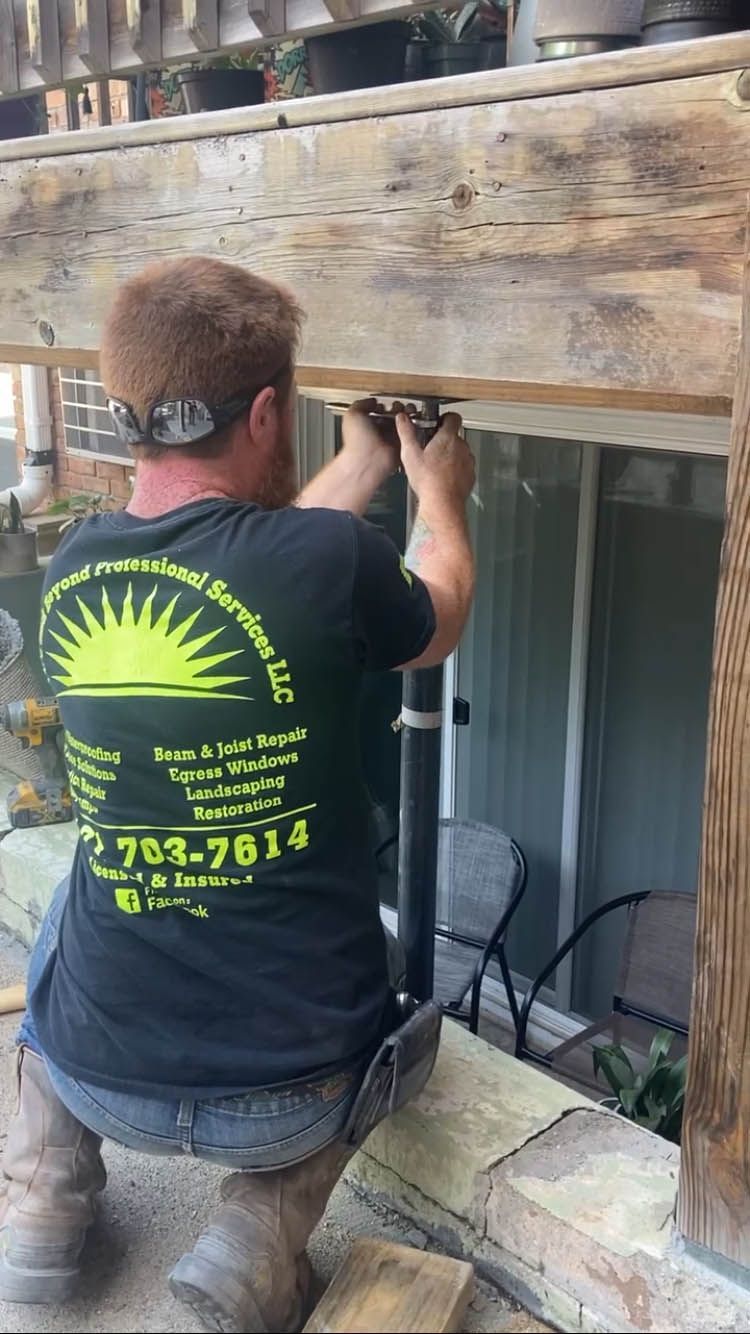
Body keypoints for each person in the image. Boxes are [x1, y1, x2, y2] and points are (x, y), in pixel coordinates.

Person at [0, 257, 475, 1333]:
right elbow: (434, 607)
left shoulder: (71, 568)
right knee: (401, 1010)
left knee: (74, 911)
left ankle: (40, 1200)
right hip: (287, 1099)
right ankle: (258, 1229)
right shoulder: (328, 561)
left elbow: (235, 564)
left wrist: (350, 466)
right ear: (267, 410)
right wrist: (437, 490)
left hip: (99, 1073)